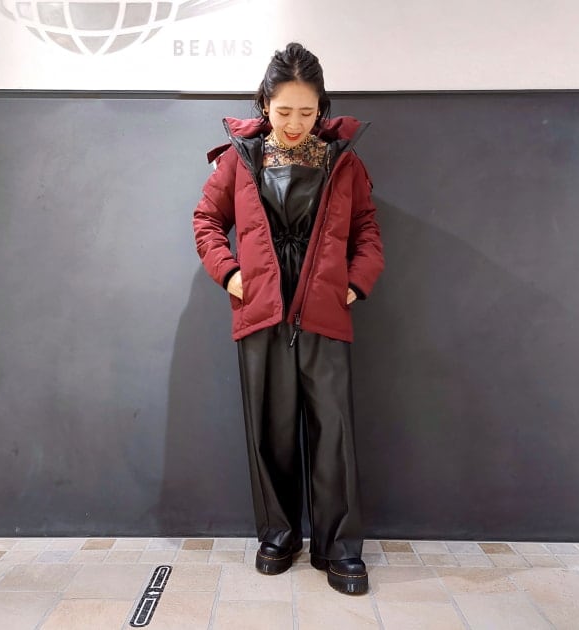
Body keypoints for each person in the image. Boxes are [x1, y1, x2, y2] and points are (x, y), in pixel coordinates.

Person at [193, 42, 384, 595]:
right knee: (270, 429)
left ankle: (339, 548)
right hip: (262, 308)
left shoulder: (343, 160)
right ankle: (278, 535)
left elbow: (367, 229)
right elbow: (207, 220)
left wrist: (355, 283)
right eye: (284, 111)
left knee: (333, 431)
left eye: (306, 110)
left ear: (321, 107)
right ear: (264, 105)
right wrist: (230, 274)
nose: (295, 122)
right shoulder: (239, 159)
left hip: (323, 306)